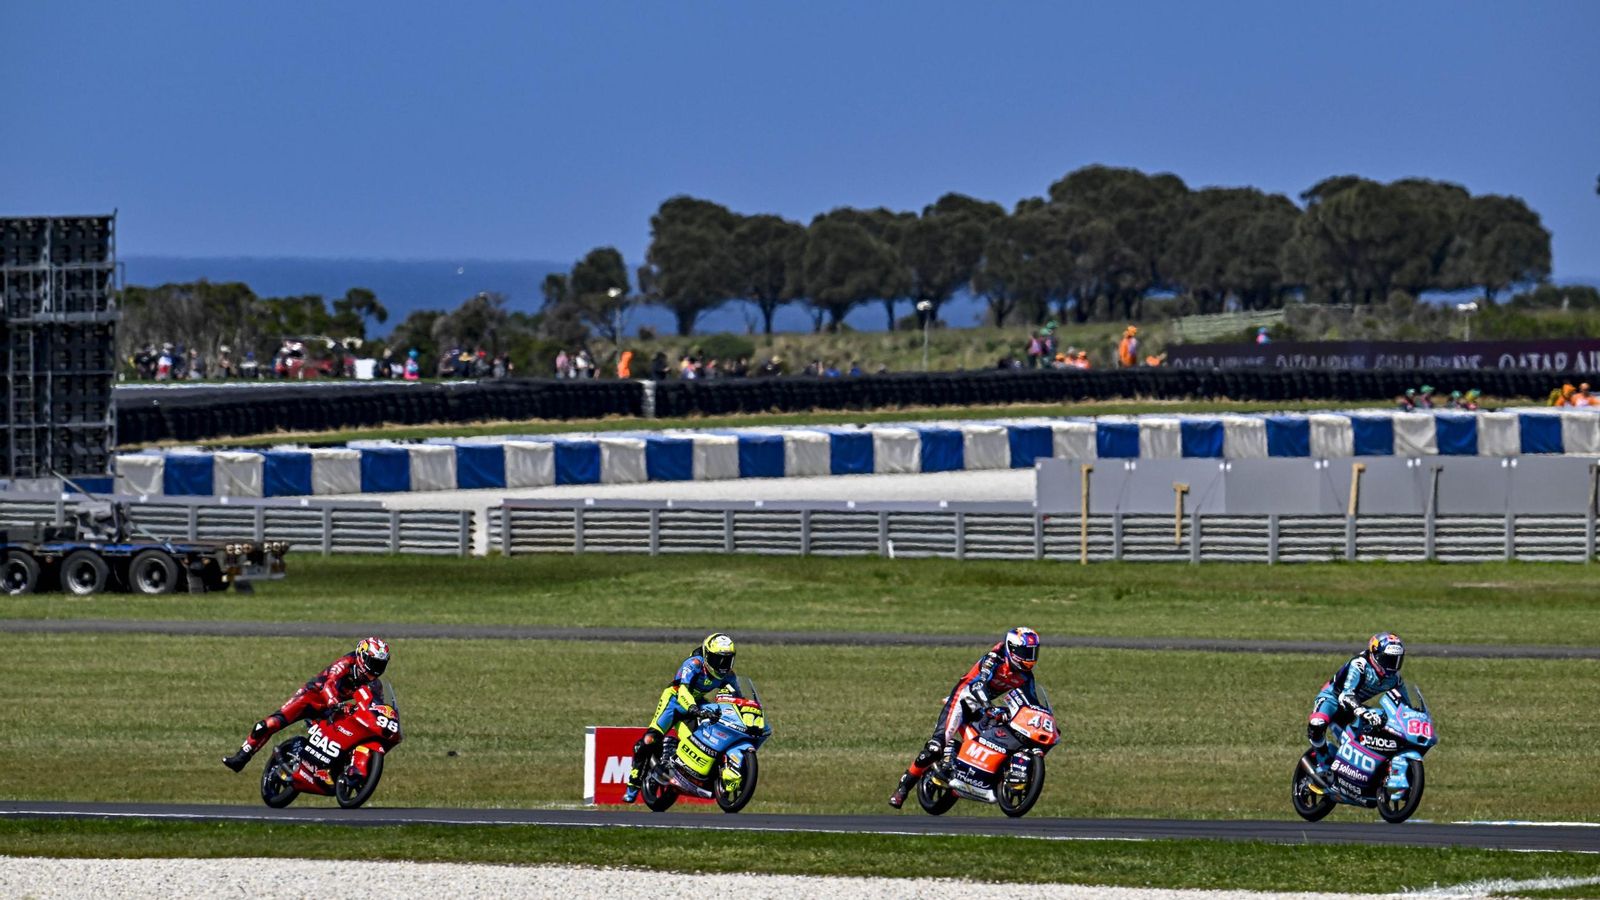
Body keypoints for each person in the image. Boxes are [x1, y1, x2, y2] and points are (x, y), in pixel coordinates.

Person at [889, 627, 1046, 809]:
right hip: (962, 701)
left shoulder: (1026, 676)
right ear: (1012, 649)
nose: (1029, 657)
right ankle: (903, 788)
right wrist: (989, 707)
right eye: (1025, 652)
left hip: (982, 706)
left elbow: (1030, 703)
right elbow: (979, 685)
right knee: (934, 748)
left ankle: (984, 771)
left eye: (1033, 652)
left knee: (1004, 731)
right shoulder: (994, 659)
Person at [223, 637, 391, 772]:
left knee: (352, 732)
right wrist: (333, 702)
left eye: (381, 665)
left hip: (332, 709)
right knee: (268, 724)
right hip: (311, 699)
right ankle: (242, 756)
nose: (376, 669)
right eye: (373, 662)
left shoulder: (374, 684)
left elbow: (374, 707)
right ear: (362, 656)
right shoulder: (346, 663)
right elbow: (329, 684)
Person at [622, 633, 741, 803]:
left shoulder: (729, 676)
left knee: (697, 741)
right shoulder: (694, 664)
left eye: (727, 660)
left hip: (697, 705)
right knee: (649, 739)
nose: (722, 665)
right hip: (674, 701)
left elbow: (736, 698)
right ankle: (633, 785)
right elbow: (684, 690)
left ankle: (681, 765)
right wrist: (692, 707)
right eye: (717, 659)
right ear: (707, 655)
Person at [1305, 632, 1408, 780]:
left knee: (1380, 723)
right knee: (1317, 723)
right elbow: (1346, 695)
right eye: (1388, 659)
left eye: (1397, 660)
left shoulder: (1394, 678)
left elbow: (1403, 702)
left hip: (1355, 707)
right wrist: (1363, 712)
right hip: (1333, 698)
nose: (1392, 665)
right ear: (1375, 654)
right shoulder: (1360, 665)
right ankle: (1323, 763)